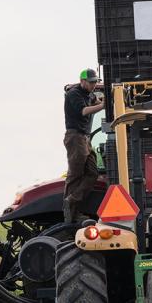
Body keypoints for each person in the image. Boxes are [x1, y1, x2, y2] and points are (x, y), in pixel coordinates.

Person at [62, 68, 105, 224]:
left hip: (84, 138)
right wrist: (103, 106)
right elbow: (84, 111)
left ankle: (73, 199)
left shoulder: (88, 93)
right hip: (75, 137)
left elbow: (95, 101)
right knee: (76, 174)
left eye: (95, 82)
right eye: (92, 82)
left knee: (93, 172)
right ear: (82, 81)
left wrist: (103, 101)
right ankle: (71, 210)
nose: (94, 85)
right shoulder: (74, 94)